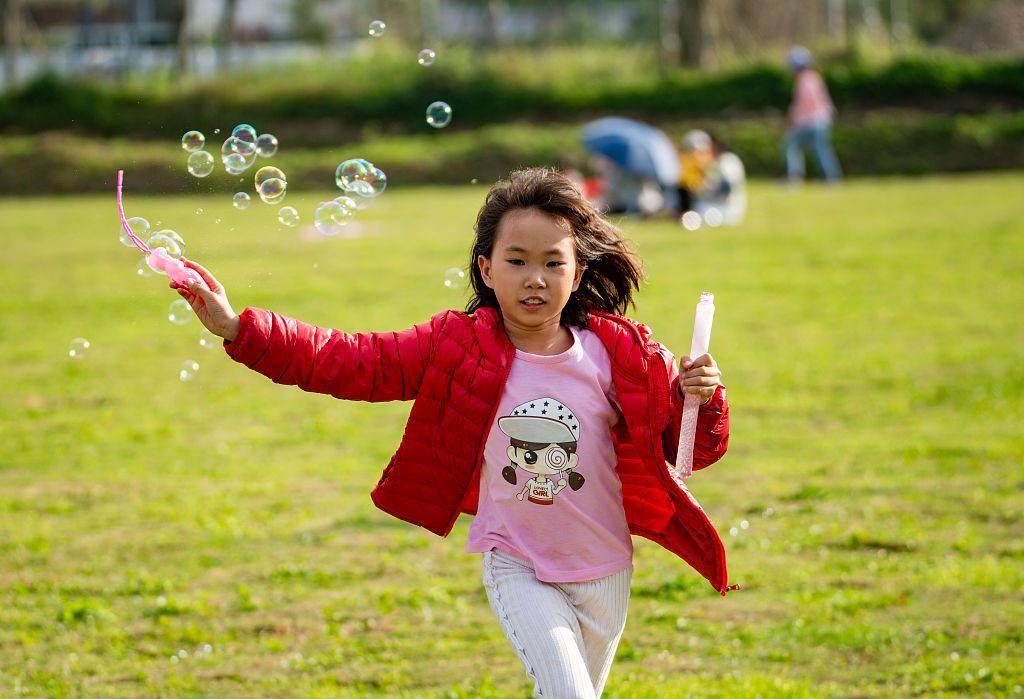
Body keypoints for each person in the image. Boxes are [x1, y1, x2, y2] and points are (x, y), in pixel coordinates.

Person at [169, 167, 736, 698]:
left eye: (552, 263)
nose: (534, 279)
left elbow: (692, 449)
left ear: (578, 272)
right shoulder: (456, 345)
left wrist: (704, 399)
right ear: (487, 269)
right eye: (516, 261)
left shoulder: (623, 355)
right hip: (518, 561)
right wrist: (240, 327)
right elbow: (353, 360)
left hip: (606, 568)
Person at [782, 46, 842, 183]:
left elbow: (807, 104)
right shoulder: (813, 77)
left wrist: (794, 119)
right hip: (820, 120)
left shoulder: (806, 80)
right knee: (820, 149)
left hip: (814, 122)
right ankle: (831, 177)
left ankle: (795, 177)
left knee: (791, 143)